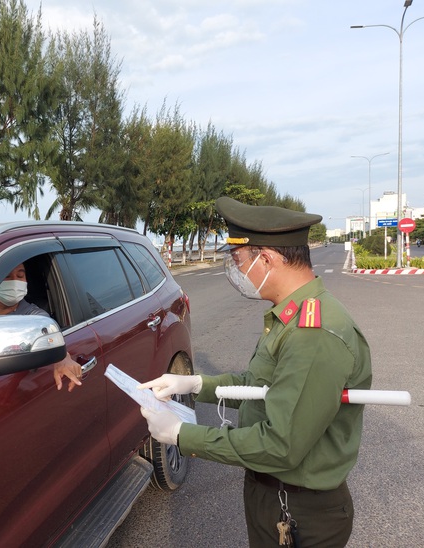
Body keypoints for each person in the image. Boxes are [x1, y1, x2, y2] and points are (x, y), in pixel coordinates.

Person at [138, 197, 372, 547]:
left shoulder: (313, 333)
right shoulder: (289, 316)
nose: (236, 273)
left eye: (238, 262)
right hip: (274, 499)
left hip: (303, 513)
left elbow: (281, 444)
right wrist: (198, 384)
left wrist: (184, 434)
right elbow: (259, 386)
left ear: (266, 259)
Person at [0, 262, 83, 392]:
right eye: (7, 276)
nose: (15, 282)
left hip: (10, 389)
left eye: (20, 275)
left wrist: (63, 358)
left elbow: (49, 338)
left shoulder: (34, 317)